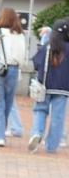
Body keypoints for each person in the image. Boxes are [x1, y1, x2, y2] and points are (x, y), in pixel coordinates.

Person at [29, 18, 69, 153]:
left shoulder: (47, 46)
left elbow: (36, 63)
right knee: (58, 117)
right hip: (63, 88)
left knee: (40, 111)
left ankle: (37, 133)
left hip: (44, 86)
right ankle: (51, 147)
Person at [0, 8, 27, 147]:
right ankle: (0, 134)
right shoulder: (20, 35)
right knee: (9, 103)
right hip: (14, 69)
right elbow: (23, 56)